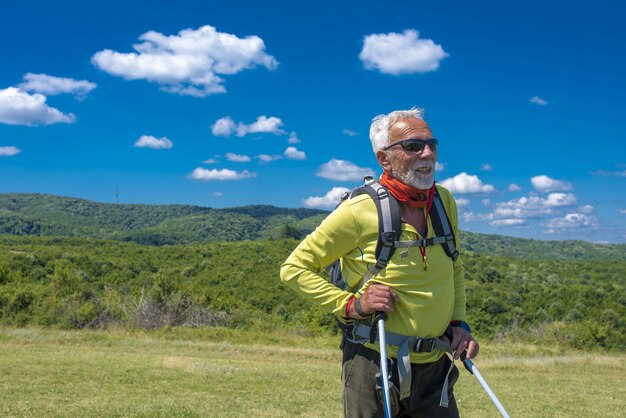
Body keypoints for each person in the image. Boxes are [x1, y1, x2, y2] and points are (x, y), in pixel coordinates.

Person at [280, 108, 478, 417]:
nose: (427, 153)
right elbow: (294, 268)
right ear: (384, 158)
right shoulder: (359, 210)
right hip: (373, 360)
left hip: (436, 363)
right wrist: (352, 305)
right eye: (413, 146)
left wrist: (459, 323)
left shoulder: (444, 201)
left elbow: (454, 265)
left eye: (431, 144)